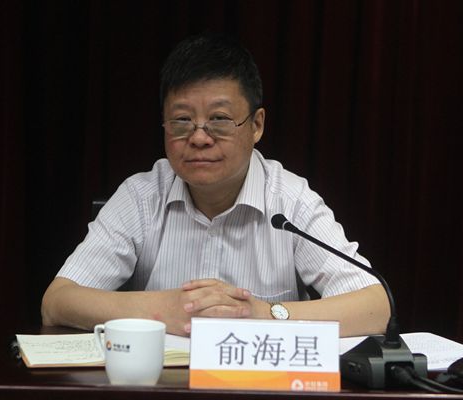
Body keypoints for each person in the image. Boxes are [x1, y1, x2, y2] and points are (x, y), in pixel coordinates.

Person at [41, 34, 389, 337]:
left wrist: (263, 313)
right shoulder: (140, 198)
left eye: (219, 120)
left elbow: (375, 306)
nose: (199, 138)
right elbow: (57, 302)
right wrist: (164, 309)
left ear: (256, 125)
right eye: (182, 120)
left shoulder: (291, 201)